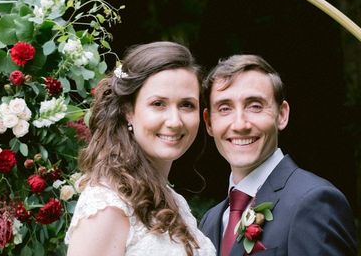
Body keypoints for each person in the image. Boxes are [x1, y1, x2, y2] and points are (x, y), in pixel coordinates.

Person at [65, 41, 216, 256]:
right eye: (158, 104)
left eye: (186, 105)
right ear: (128, 111)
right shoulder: (108, 206)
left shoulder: (173, 201)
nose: (175, 121)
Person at [199, 54, 357, 256]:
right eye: (224, 108)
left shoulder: (314, 201)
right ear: (209, 123)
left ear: (281, 115)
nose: (240, 124)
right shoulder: (211, 221)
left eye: (255, 106)